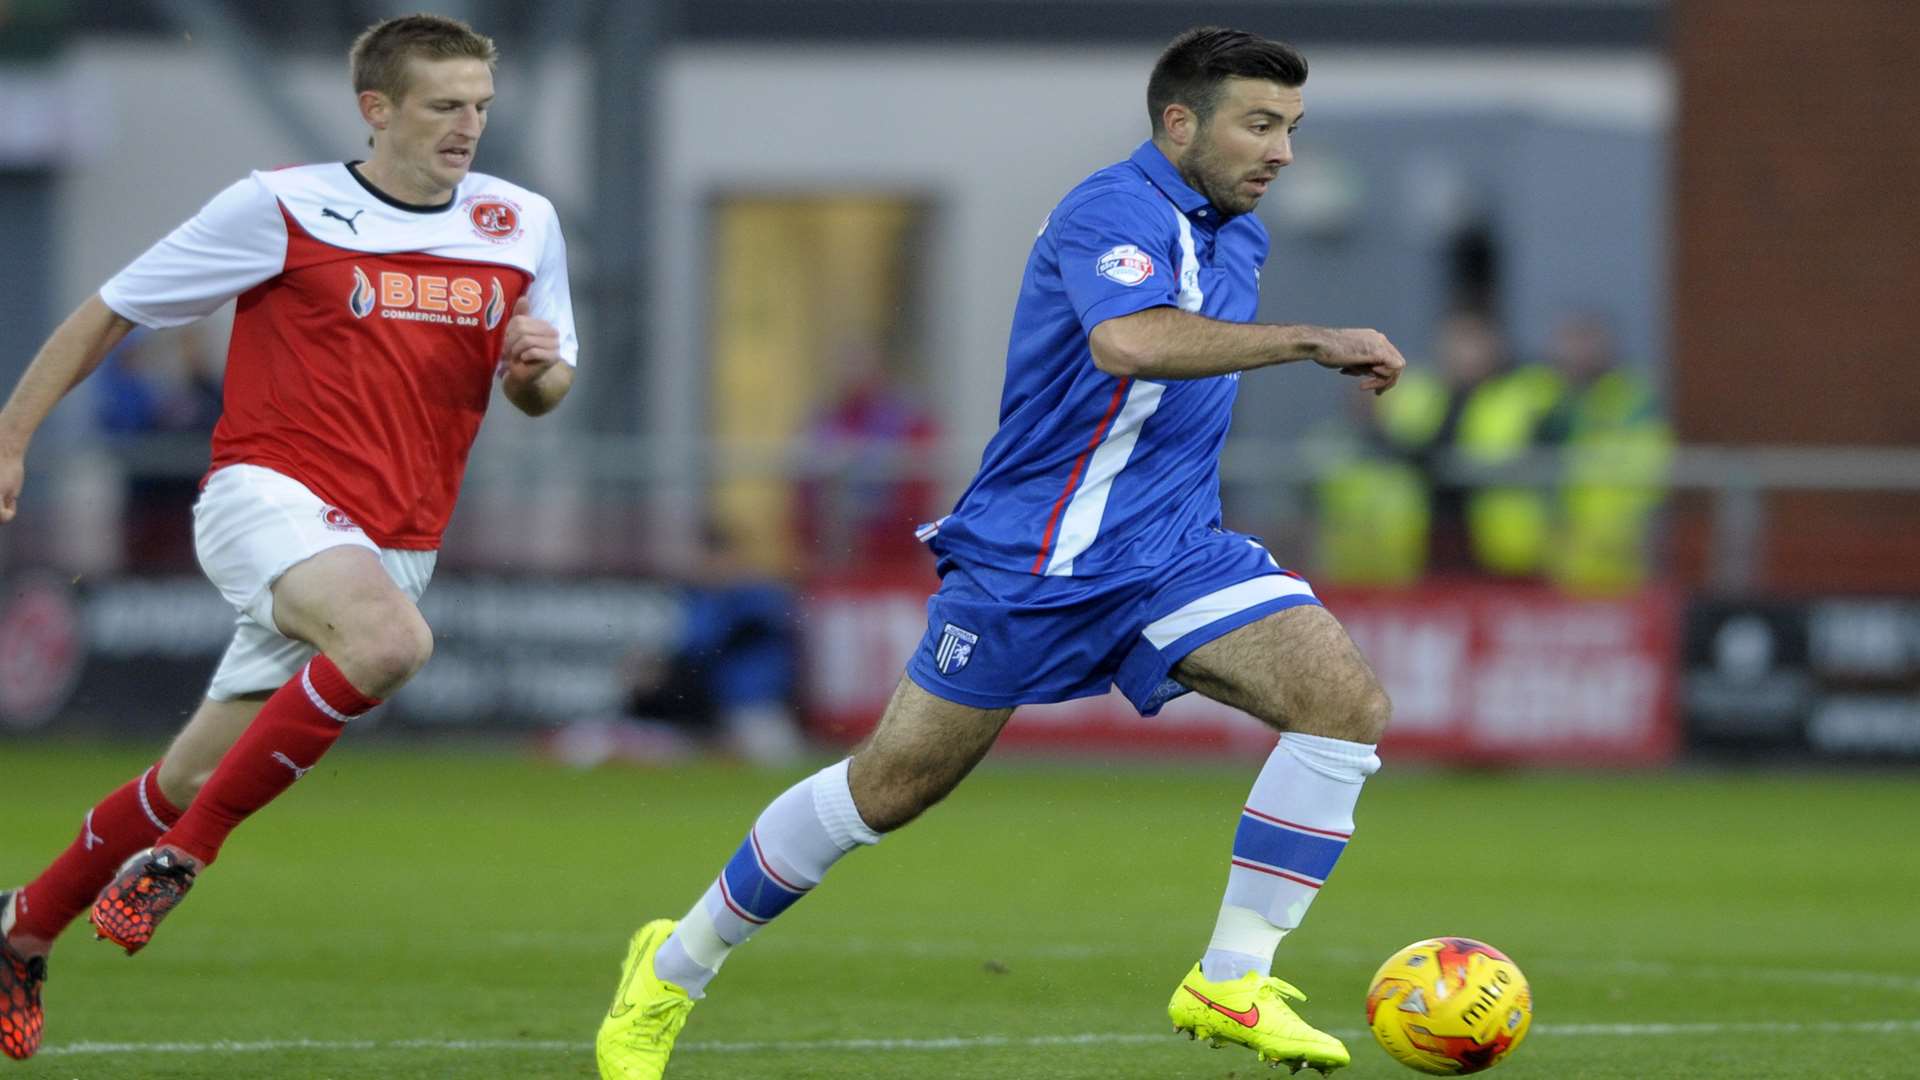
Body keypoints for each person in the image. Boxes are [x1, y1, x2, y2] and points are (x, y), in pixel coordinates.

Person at [596, 26, 1404, 1079]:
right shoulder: (1110, 209)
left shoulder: (1237, 234)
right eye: (1260, 124)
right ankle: (674, 965)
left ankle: (1233, 980)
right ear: (1178, 122)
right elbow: (1132, 340)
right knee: (887, 790)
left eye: (1291, 129)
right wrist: (1310, 339)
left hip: (1171, 552)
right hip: (1037, 560)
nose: (1283, 154)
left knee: (1345, 707)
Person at [0, 13, 577, 1061]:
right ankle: (184, 862)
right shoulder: (279, 204)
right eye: (445, 105)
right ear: (377, 109)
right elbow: (111, 309)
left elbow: (547, 384)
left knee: (183, 778)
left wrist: (538, 371)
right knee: (391, 647)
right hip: (266, 498)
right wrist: (11, 434)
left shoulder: (521, 221)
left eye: (481, 106)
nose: (469, 127)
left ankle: (24, 926)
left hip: (397, 539)